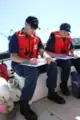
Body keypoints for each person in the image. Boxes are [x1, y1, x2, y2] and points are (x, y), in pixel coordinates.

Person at [9, 16, 65, 120]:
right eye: (32, 27)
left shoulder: (37, 38)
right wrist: (27, 61)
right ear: (25, 24)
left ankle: (51, 93)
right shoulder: (15, 37)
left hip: (34, 63)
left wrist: (46, 56)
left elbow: (41, 51)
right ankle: (24, 105)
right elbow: (13, 56)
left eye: (35, 28)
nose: (34, 30)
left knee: (52, 64)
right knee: (32, 71)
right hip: (19, 65)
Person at [45, 23, 75, 97]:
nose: (66, 33)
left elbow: (71, 47)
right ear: (60, 30)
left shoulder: (68, 37)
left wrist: (73, 53)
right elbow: (46, 52)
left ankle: (64, 84)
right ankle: (52, 91)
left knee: (71, 62)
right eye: (64, 31)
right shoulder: (53, 38)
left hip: (64, 58)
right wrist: (57, 55)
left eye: (67, 32)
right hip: (54, 58)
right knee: (54, 66)